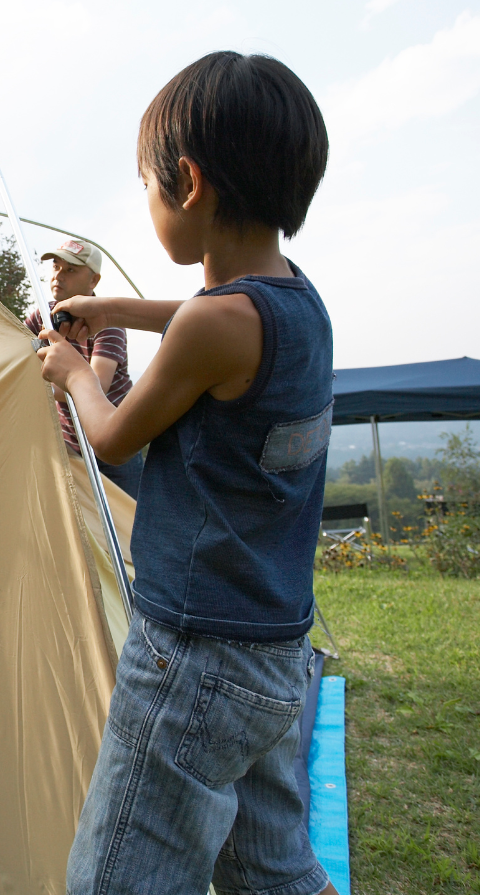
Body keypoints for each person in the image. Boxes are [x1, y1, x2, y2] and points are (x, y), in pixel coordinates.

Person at [38, 52, 338, 895]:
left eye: (147, 186)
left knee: (116, 881)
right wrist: (109, 310)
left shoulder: (215, 327)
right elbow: (208, 315)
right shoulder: (295, 304)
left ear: (190, 182)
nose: (148, 203)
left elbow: (111, 435)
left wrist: (68, 366)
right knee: (271, 873)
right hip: (274, 653)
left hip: (191, 659)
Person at [24, 240, 142, 499]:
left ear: (94, 281)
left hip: (116, 447)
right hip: (72, 446)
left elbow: (97, 385)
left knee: (131, 522)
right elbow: (13, 350)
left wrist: (34, 379)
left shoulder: (108, 322)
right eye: (56, 267)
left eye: (71, 270)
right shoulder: (42, 316)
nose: (58, 276)